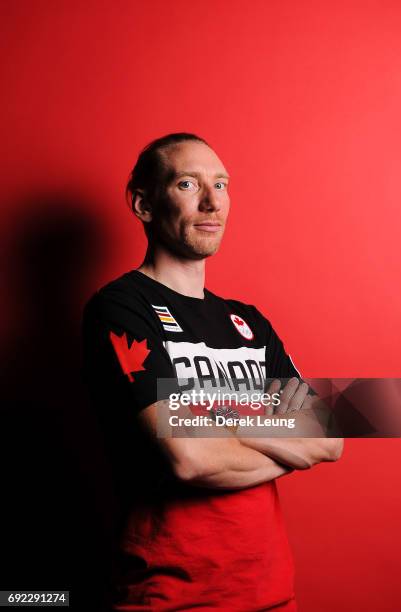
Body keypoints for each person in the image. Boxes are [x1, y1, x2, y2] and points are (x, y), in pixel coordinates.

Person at [81, 132, 344, 611]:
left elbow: (329, 436)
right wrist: (279, 435)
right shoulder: (120, 307)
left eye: (221, 185)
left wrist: (217, 421)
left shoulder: (249, 320)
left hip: (270, 589)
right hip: (172, 595)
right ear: (143, 204)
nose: (211, 202)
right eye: (187, 183)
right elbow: (190, 459)